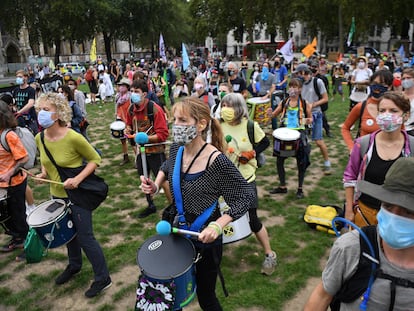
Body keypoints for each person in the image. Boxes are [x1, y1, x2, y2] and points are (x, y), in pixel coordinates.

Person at [140, 97, 254, 310]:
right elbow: (167, 165)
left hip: (205, 237)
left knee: (206, 296)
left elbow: (245, 195)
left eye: (182, 120)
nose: (176, 125)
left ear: (201, 124)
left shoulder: (215, 161)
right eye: (174, 119)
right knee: (172, 291)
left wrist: (219, 224)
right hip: (176, 230)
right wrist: (155, 185)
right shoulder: (177, 148)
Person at [305, 157, 414, 311]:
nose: (394, 218)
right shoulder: (350, 247)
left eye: (408, 211)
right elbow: (322, 295)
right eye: (388, 206)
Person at [34, 92, 111, 298]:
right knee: (69, 235)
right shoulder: (39, 137)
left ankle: (103, 278)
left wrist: (77, 179)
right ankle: (74, 265)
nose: (41, 113)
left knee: (85, 237)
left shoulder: (73, 137)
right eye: (39, 109)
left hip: (78, 195)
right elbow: (44, 159)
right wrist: (43, 173)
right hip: (57, 195)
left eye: (46, 109)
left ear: (58, 113)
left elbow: (95, 159)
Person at [220, 93, 277, 275]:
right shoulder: (218, 126)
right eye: (223, 105)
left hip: (246, 179)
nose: (225, 109)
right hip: (223, 180)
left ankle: (269, 254)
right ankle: (212, 257)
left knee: (252, 219)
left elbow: (265, 142)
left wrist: (251, 153)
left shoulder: (250, 126)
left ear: (238, 108)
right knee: (217, 218)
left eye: (228, 105)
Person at [343, 91, 411, 227]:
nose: (387, 115)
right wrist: (349, 210)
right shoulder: (363, 144)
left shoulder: (412, 147)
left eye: (393, 110)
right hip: (365, 213)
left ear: (406, 115)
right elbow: (350, 178)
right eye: (382, 110)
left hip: (400, 217)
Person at [125, 79, 171, 218]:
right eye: (131, 91)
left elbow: (163, 134)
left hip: (156, 151)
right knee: (143, 178)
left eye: (136, 92)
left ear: (144, 94)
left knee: (163, 180)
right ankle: (150, 204)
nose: (133, 94)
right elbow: (129, 125)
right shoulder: (131, 109)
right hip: (141, 152)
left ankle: (174, 207)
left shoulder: (154, 109)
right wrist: (128, 131)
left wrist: (146, 139)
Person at [268, 78, 312, 198]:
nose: (292, 89)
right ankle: (282, 186)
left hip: (298, 133)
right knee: (279, 160)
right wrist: (270, 113)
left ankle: (300, 188)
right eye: (291, 86)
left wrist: (308, 120)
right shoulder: (284, 102)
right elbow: (274, 115)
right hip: (284, 132)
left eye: (295, 87)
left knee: (301, 161)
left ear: (300, 89)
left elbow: (310, 119)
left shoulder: (304, 103)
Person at [0, 100, 29, 260]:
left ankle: (29, 244)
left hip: (15, 183)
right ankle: (17, 238)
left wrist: (9, 172)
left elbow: (24, 158)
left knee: (18, 215)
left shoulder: (9, 135)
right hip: (1, 186)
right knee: (7, 217)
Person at [341, 70, 394, 151]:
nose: (377, 87)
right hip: (364, 155)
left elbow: (402, 132)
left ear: (389, 86)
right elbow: (345, 128)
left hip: (388, 155)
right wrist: (351, 147)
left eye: (382, 84)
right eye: (375, 83)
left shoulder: (395, 108)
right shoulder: (361, 107)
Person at [295, 63, 332, 175]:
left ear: (304, 72)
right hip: (302, 115)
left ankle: (327, 163)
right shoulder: (298, 84)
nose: (297, 75)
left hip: (316, 114)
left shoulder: (317, 82)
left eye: (298, 73)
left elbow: (325, 99)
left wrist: (313, 105)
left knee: (318, 141)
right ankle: (304, 163)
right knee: (302, 141)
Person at [12, 70, 38, 134]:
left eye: (20, 77)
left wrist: (19, 112)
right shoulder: (16, 90)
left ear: (26, 77)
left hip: (30, 118)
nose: (18, 78)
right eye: (17, 77)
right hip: (19, 119)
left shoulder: (30, 90)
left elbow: (31, 103)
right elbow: (14, 103)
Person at [115, 78, 132, 166]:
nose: (120, 87)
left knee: (131, 140)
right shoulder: (118, 96)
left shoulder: (130, 97)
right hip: (119, 119)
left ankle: (138, 158)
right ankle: (126, 156)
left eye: (123, 85)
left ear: (127, 87)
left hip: (128, 121)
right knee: (122, 139)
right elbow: (117, 108)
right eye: (120, 85)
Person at [402, 68, 414, 136]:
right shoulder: (397, 96)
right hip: (400, 130)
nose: (405, 80)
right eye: (403, 79)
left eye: (408, 78)